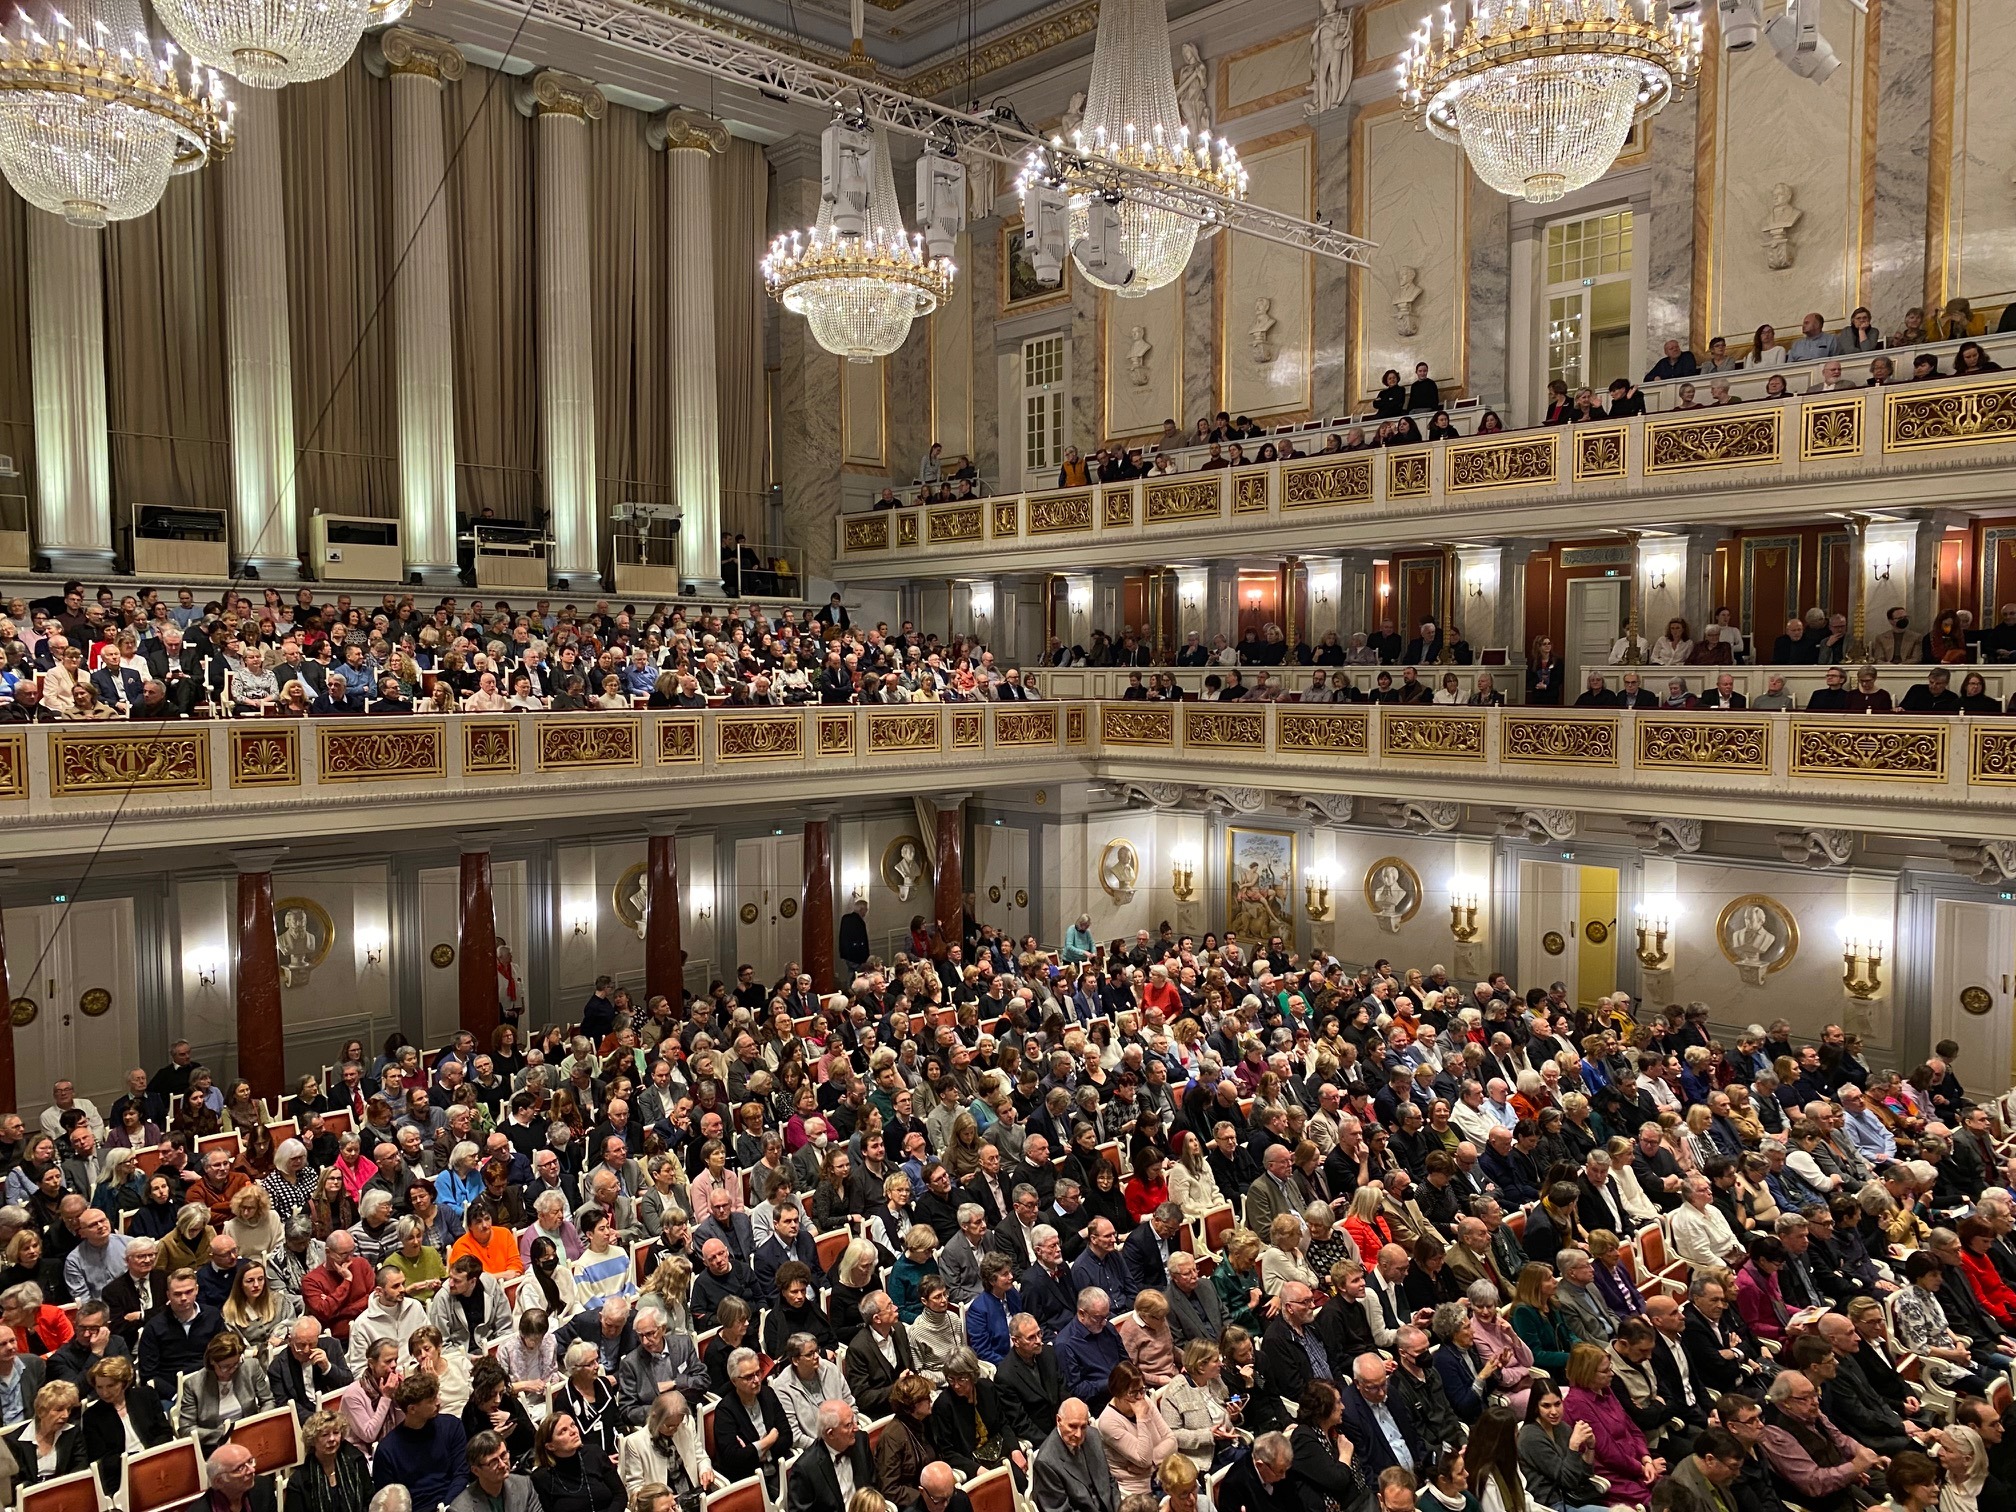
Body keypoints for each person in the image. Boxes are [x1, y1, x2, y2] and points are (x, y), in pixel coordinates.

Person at [787, 1400, 878, 1512]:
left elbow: (873, 1483)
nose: (856, 1428)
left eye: (854, 1420)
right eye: (849, 1425)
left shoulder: (860, 1440)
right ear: (831, 1433)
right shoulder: (805, 1469)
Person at [1031, 1398, 1120, 1512]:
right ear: (1058, 1421)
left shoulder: (1093, 1436)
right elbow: (1059, 1510)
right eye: (1072, 1426)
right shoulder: (1046, 1462)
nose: (1078, 1434)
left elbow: (1110, 1481)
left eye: (1083, 1426)